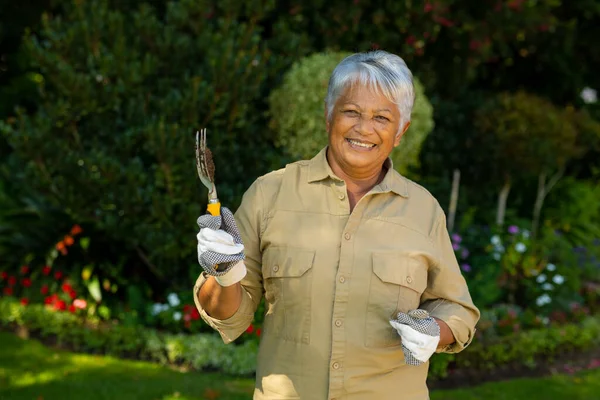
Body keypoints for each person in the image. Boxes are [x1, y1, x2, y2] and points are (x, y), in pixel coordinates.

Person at [193, 50, 480, 400]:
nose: (364, 128)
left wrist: (434, 331)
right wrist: (222, 272)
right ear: (329, 116)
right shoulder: (270, 194)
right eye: (351, 112)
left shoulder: (424, 211)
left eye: (382, 117)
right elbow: (230, 317)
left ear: (400, 131)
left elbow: (457, 308)